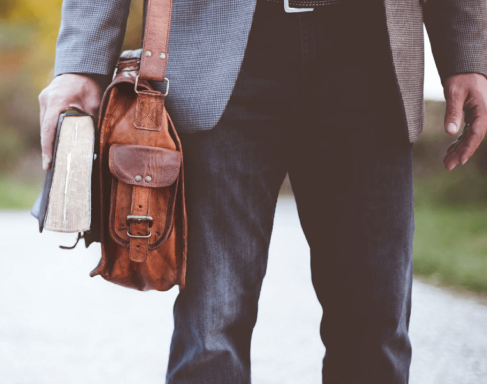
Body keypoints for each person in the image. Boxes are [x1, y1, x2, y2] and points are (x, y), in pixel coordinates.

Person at [38, 0, 487, 383]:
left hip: (371, 56)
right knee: (211, 331)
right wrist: (82, 61)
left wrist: (468, 52)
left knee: (376, 330)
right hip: (224, 57)